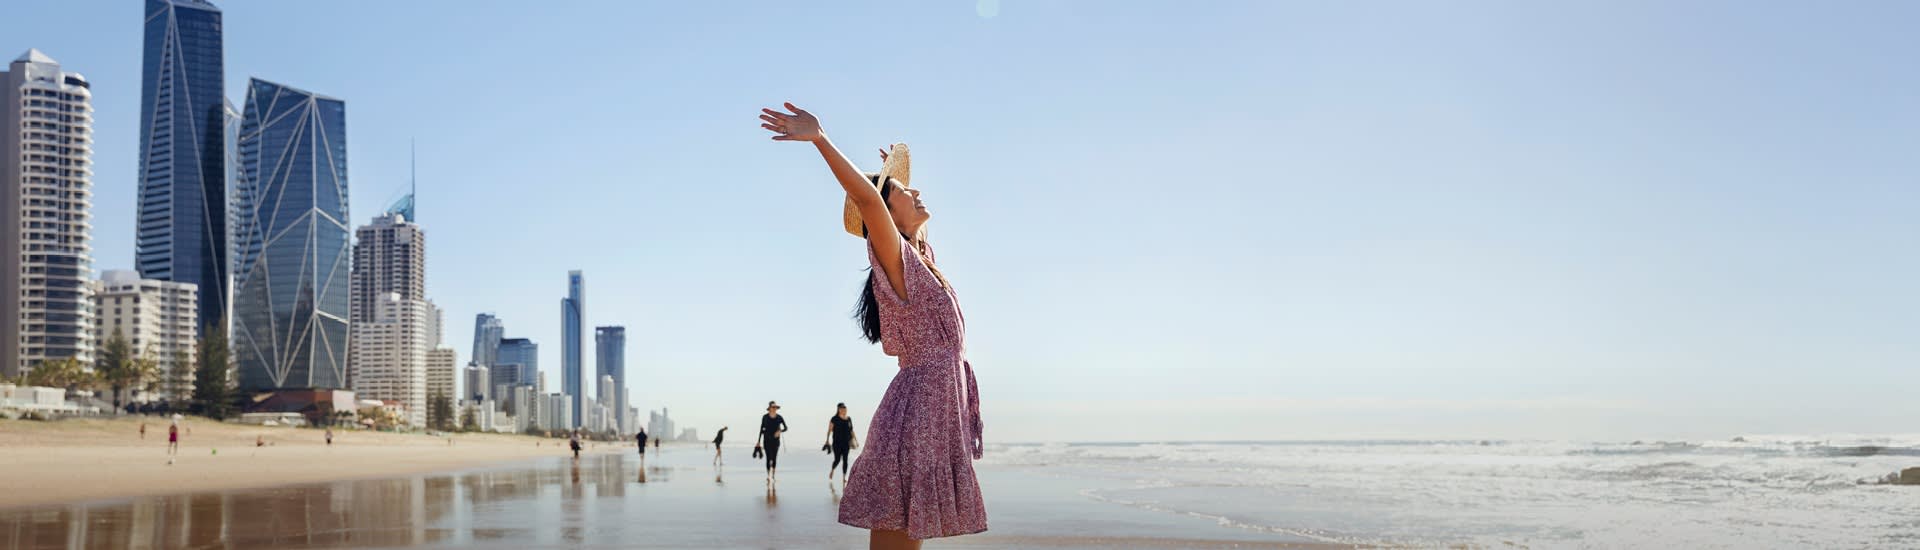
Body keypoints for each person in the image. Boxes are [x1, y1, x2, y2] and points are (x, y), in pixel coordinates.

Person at [763, 104, 987, 547]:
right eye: (905, 190)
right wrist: (822, 140)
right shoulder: (896, 260)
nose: (917, 189)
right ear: (883, 215)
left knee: (907, 538)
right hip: (918, 413)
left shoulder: (922, 261)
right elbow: (869, 202)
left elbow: (900, 220)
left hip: (932, 412)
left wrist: (893, 184)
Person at [757, 401, 789, 483]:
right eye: (773, 407)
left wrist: (780, 431)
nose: (774, 409)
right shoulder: (765, 417)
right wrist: (758, 441)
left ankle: (773, 476)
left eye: (775, 407)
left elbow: (786, 428)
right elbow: (761, 429)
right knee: (768, 458)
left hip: (776, 441)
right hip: (767, 440)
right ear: (769, 408)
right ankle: (768, 476)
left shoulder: (779, 417)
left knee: (774, 458)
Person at [827, 403, 858, 481]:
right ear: (839, 410)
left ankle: (844, 477)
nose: (844, 410)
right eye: (842, 409)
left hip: (846, 443)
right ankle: (832, 470)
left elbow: (851, 430)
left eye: (845, 409)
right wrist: (827, 440)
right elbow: (830, 430)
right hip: (836, 443)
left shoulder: (848, 419)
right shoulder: (834, 419)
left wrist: (856, 440)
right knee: (837, 459)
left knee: (845, 460)